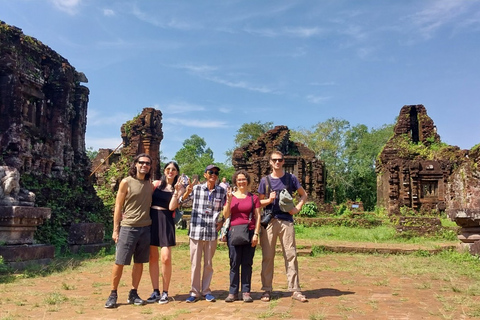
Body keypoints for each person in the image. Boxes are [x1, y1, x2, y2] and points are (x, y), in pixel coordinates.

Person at [257, 151, 309, 303]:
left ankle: (295, 289)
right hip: (270, 221)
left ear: (283, 161)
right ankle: (266, 289)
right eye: (275, 160)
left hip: (286, 220)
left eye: (280, 160)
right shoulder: (264, 181)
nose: (277, 162)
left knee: (291, 255)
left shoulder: (290, 178)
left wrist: (297, 208)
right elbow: (259, 203)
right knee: (267, 256)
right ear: (270, 162)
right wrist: (269, 199)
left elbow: (303, 195)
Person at [105, 153, 153, 308]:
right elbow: (118, 207)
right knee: (120, 262)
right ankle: (113, 293)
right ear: (136, 164)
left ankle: (134, 292)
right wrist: (115, 229)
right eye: (141, 163)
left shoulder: (150, 184)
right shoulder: (126, 182)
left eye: (147, 163)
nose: (144, 165)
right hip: (128, 227)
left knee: (139, 262)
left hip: (145, 228)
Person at [181, 164, 227, 303]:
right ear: (205, 175)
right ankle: (194, 292)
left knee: (208, 263)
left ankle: (206, 291)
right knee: (195, 263)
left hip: (211, 231)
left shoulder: (221, 191)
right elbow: (182, 203)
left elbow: (227, 208)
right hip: (196, 231)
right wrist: (187, 192)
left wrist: (223, 220)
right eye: (210, 172)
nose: (213, 175)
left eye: (216, 173)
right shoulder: (196, 189)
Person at [146, 161, 184, 304]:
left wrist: (176, 191)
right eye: (168, 169)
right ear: (164, 170)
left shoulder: (179, 188)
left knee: (166, 258)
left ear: (177, 172)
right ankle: (155, 290)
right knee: (152, 257)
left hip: (166, 221)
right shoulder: (156, 184)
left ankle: (165, 292)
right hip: (152, 219)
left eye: (173, 169)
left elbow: (172, 206)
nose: (170, 171)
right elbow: (146, 200)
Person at [222, 170, 261, 302]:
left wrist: (256, 233)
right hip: (234, 232)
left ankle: (246, 291)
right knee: (234, 263)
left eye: (243, 179)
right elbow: (226, 215)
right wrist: (229, 200)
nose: (241, 182)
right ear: (235, 182)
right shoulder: (230, 196)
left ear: (247, 181)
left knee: (247, 263)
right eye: (239, 180)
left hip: (249, 232)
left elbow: (258, 216)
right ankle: (233, 292)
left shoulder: (253, 198)